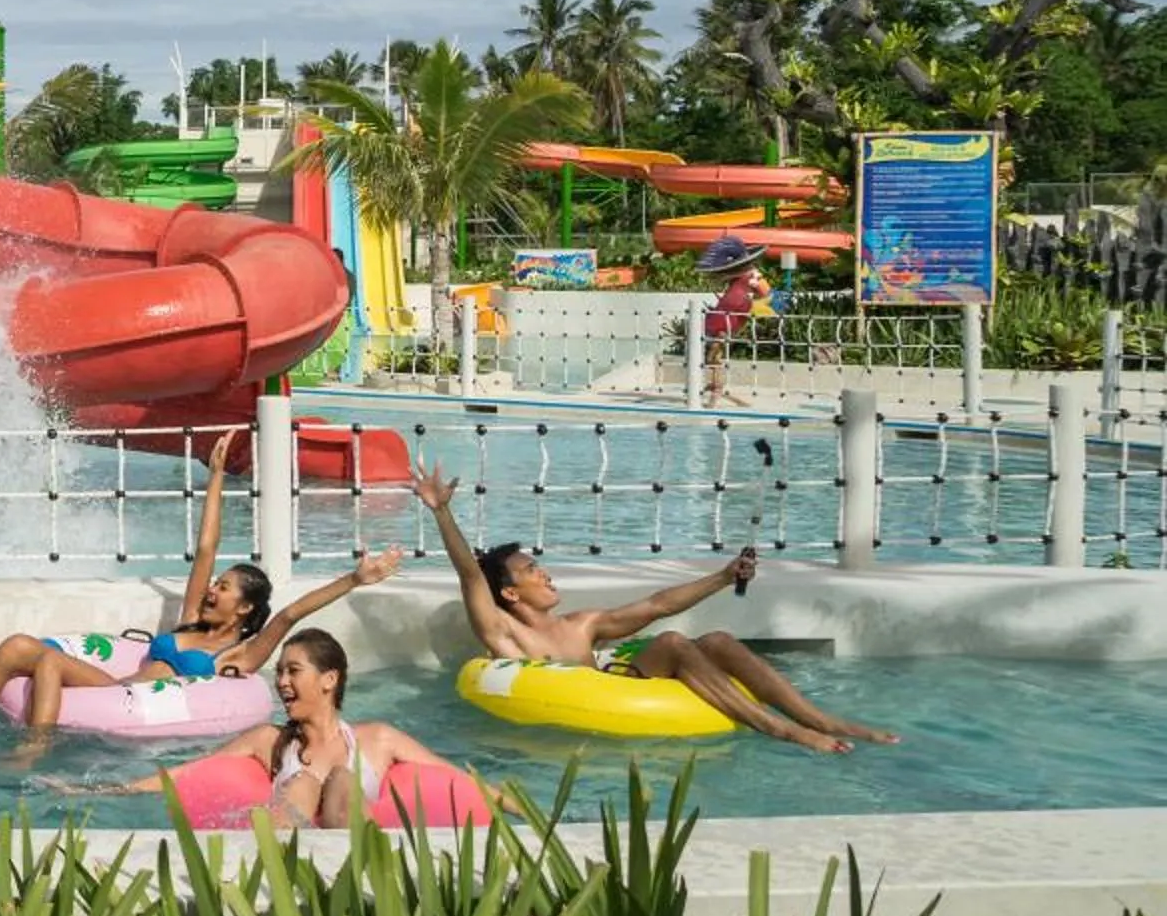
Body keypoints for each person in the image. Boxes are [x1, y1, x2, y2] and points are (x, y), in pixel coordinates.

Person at [411, 465, 892, 752]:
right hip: (585, 717)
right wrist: (440, 511)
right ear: (511, 594)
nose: (546, 574)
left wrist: (725, 577)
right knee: (674, 644)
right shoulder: (504, 635)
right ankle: (781, 730)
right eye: (532, 570)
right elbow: (472, 575)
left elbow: (659, 603)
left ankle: (822, 720)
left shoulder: (583, 626)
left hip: (617, 683)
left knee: (719, 640)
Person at [0, 428, 406, 727]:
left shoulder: (239, 654)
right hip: (114, 685)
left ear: (244, 607)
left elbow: (289, 614)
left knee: (44, 662)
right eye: (215, 584)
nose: (211, 590)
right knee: (18, 647)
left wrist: (354, 578)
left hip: (128, 701)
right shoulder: (190, 620)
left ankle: (33, 750)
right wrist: (216, 478)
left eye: (223, 589)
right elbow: (206, 547)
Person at [93, 628, 463, 828]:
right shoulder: (268, 740)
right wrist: (108, 790)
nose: (282, 682)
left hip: (353, 845)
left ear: (329, 679)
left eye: (294, 671)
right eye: (281, 671)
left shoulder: (377, 739)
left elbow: (457, 779)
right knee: (300, 783)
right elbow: (188, 774)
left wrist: (516, 806)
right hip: (290, 852)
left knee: (341, 780)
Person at [699, 233, 771, 404]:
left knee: (714, 354)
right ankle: (716, 386)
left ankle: (716, 389)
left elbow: (768, 296)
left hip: (729, 319)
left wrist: (751, 307)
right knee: (713, 355)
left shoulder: (753, 276)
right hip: (722, 318)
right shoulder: (738, 279)